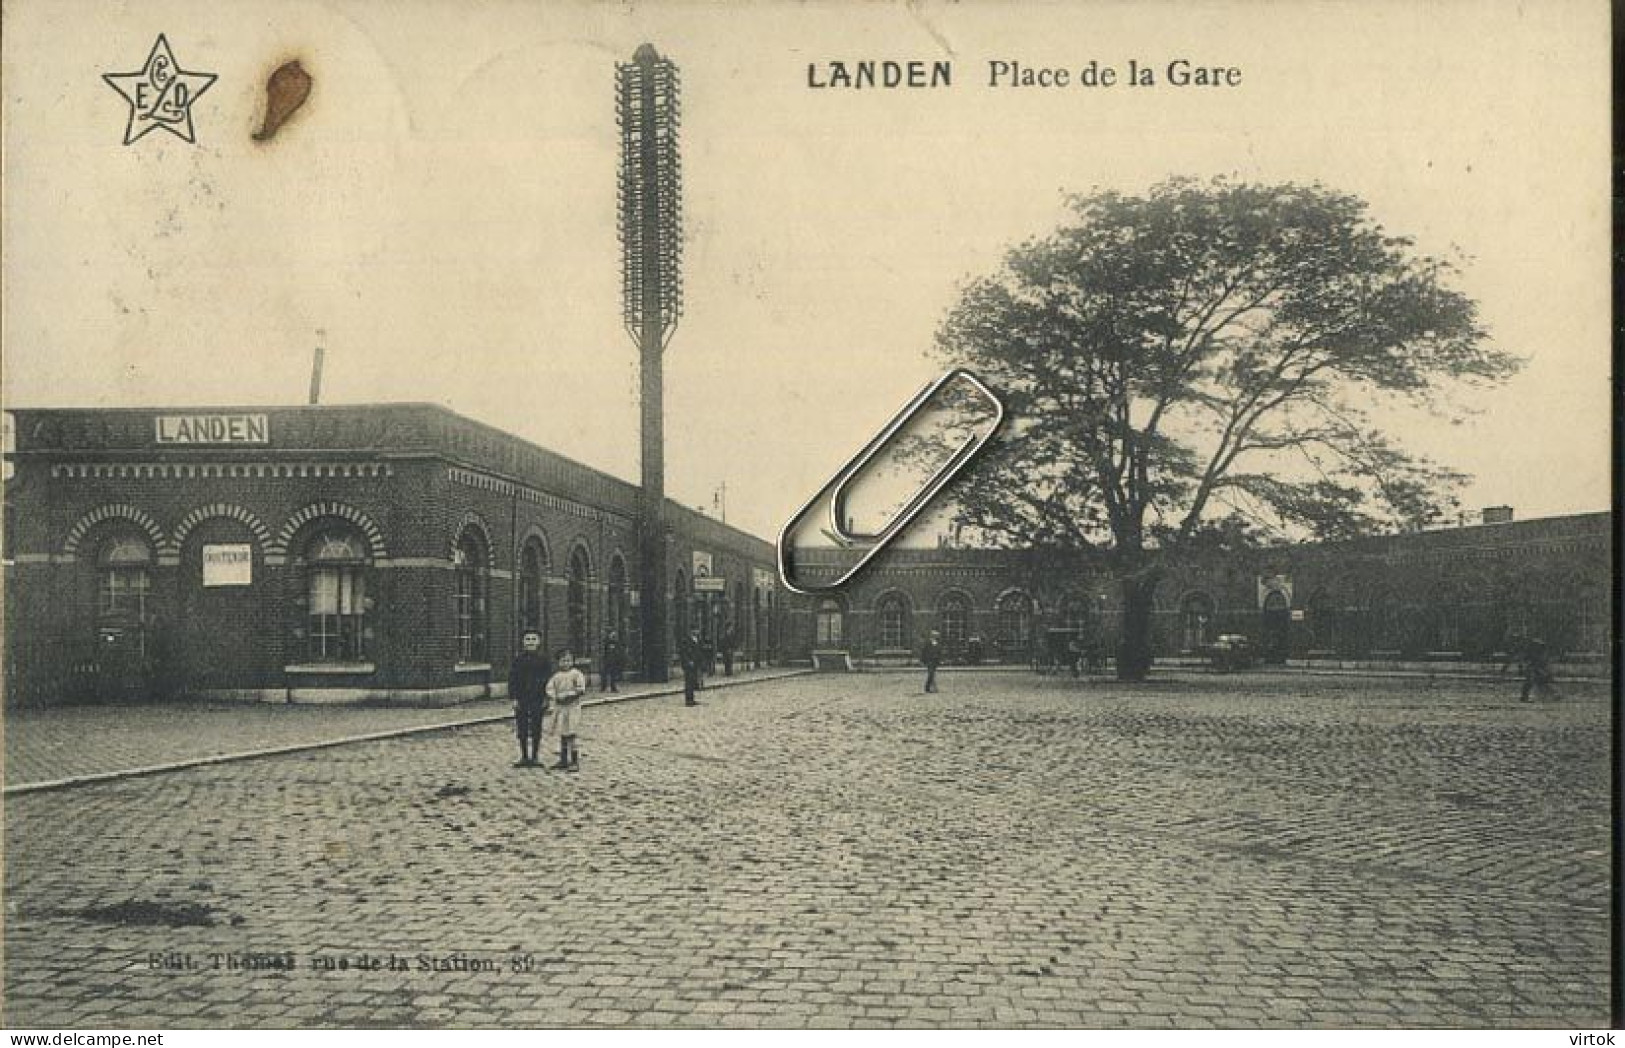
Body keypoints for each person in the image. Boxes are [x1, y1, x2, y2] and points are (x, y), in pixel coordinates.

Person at [508, 630, 552, 767]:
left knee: (536, 726)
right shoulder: (518, 660)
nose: (531, 642)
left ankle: (535, 756)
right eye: (528, 639)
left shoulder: (544, 660)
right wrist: (514, 698)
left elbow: (548, 681)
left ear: (538, 642)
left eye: (534, 639)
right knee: (521, 727)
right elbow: (512, 680)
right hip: (522, 697)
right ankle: (524, 756)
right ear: (523, 642)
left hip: (537, 697)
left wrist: (546, 698)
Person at [546, 650, 588, 771]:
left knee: (572, 733)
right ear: (559, 662)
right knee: (563, 733)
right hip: (561, 709)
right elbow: (550, 688)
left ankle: (574, 760)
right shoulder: (556, 676)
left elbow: (581, 689)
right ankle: (564, 759)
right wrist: (554, 696)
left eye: (569, 660)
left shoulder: (576, 674)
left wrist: (569, 695)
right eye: (563, 661)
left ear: (573, 661)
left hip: (572, 708)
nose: (566, 663)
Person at [1502, 634, 1557, 702]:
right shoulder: (1522, 645)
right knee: (1536, 680)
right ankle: (1551, 694)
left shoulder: (1530, 644)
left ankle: (1551, 694)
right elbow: (1517, 658)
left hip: (1538, 660)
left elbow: (1518, 657)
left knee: (1535, 680)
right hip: (1535, 661)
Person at [680, 628, 704, 706]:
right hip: (689, 664)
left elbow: (699, 651)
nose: (698, 631)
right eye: (696, 630)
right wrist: (688, 661)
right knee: (688, 682)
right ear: (692, 631)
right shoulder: (686, 640)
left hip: (695, 664)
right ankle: (688, 700)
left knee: (693, 681)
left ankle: (692, 698)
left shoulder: (697, 640)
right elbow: (684, 652)